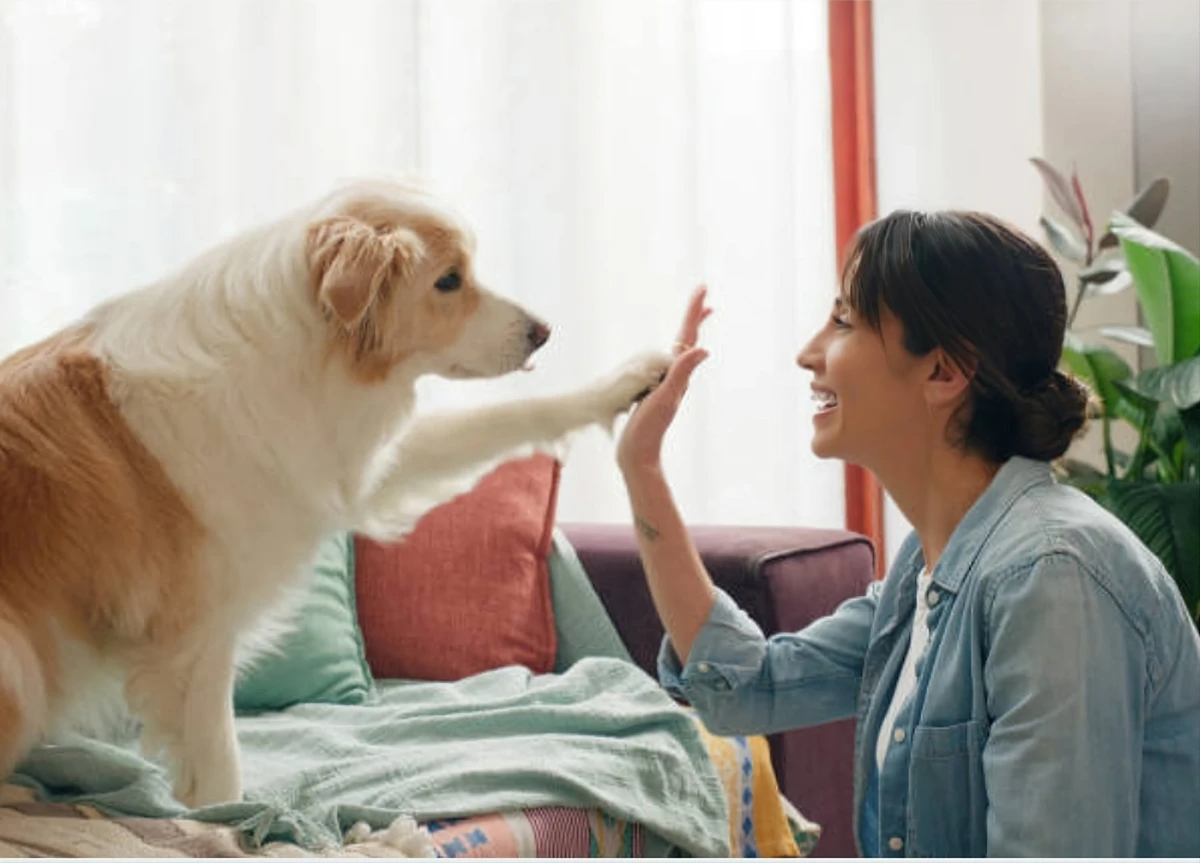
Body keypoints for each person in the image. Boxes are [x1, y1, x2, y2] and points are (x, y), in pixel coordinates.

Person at [616, 210, 1200, 858]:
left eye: (842, 321)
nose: (807, 353)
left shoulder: (1051, 575)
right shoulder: (927, 578)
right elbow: (749, 685)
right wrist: (641, 467)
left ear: (944, 372)